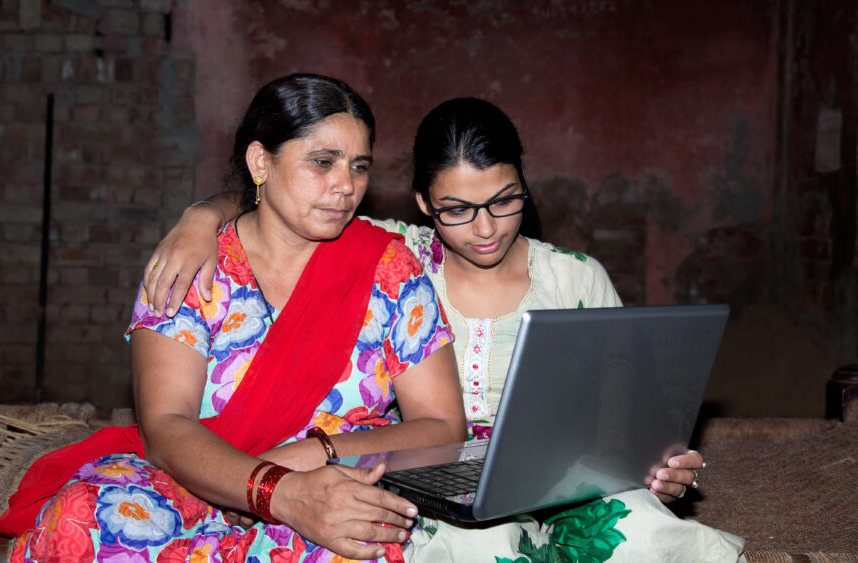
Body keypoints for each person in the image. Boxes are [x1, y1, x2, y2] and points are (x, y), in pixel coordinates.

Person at [141, 97, 747, 561]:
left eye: (504, 201)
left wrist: (655, 469)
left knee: (646, 535)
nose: (485, 228)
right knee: (479, 545)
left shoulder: (575, 278)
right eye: (456, 209)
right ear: (424, 205)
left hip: (562, 473)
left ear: (523, 186)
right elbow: (285, 204)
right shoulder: (394, 254)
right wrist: (200, 216)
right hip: (428, 473)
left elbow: (624, 413)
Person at [0, 74, 469, 562]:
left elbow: (441, 426)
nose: (347, 186)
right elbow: (166, 426)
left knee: (350, 544)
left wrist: (316, 453)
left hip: (335, 486)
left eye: (359, 166)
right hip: (195, 482)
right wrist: (276, 490)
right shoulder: (195, 266)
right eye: (322, 162)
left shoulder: (387, 271)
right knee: (86, 516)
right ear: (261, 161)